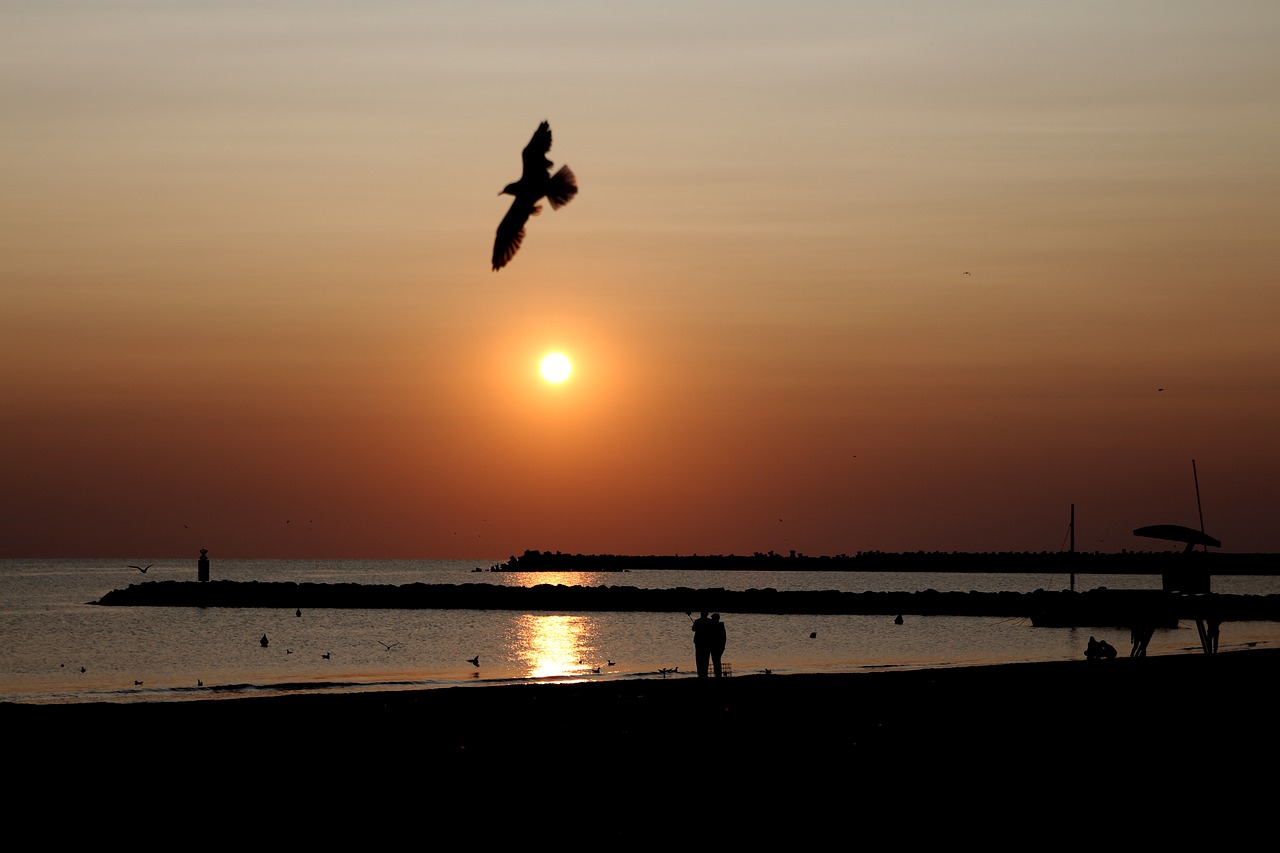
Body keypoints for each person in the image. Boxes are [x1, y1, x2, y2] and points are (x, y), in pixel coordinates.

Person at [691, 611, 713, 678]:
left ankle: (700, 672)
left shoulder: (697, 621)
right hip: (706, 641)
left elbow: (693, 629)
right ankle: (704, 672)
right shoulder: (709, 621)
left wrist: (696, 624)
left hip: (699, 642)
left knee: (699, 657)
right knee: (706, 657)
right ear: (706, 614)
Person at [710, 613, 727, 678]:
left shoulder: (717, 626)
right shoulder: (720, 625)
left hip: (717, 646)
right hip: (720, 646)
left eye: (713, 618)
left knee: (716, 660)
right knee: (716, 660)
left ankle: (718, 674)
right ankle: (717, 674)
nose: (712, 620)